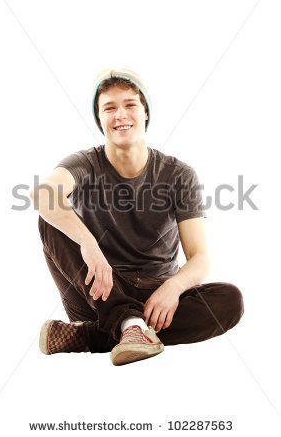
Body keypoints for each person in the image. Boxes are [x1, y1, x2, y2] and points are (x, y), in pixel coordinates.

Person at [30, 68, 244, 366]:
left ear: (145, 113)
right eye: (109, 108)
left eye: (130, 105)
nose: (120, 115)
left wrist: (173, 287)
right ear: (100, 118)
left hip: (156, 297)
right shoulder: (84, 163)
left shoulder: (178, 174)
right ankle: (126, 323)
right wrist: (88, 243)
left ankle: (94, 335)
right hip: (100, 292)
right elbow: (43, 195)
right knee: (49, 219)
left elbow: (200, 258)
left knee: (229, 301)